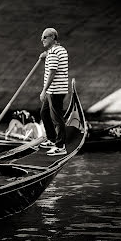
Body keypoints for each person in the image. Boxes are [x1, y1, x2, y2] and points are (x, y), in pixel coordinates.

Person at [38, 28, 69, 156]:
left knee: (57, 118)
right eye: (42, 37)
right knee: (44, 113)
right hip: (55, 90)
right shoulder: (59, 50)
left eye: (45, 37)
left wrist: (44, 90)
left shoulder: (53, 53)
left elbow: (52, 72)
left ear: (52, 38)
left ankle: (60, 146)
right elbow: (53, 54)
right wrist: (46, 54)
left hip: (55, 91)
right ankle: (51, 139)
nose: (42, 39)